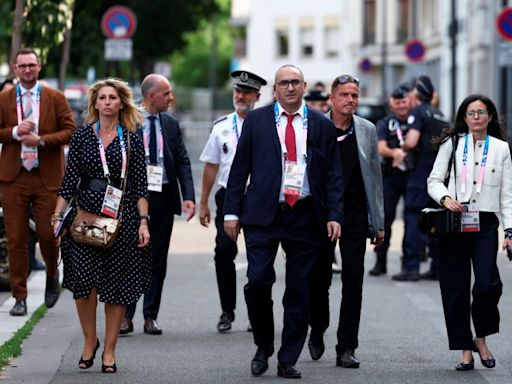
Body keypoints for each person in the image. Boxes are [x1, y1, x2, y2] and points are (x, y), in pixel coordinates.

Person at [223, 64, 343, 379]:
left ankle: (288, 357)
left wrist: (334, 215)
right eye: (283, 83)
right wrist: (231, 212)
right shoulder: (257, 121)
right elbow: (240, 168)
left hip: (305, 215)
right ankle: (263, 345)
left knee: (299, 290)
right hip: (263, 214)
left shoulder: (321, 124)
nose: (289, 88)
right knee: (258, 282)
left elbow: (333, 175)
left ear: (303, 86)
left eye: (294, 82)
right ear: (275, 89)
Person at [52, 78, 151, 373]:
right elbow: (69, 181)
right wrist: (57, 217)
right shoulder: (83, 137)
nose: (107, 102)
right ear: (95, 103)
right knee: (82, 283)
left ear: (121, 102)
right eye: (102, 98)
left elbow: (141, 185)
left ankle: (109, 351)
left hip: (123, 216)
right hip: (86, 216)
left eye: (113, 97)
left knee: (117, 285)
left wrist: (143, 222)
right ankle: (89, 340)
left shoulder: (132, 137)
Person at [427, 94, 512, 371]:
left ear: (490, 117)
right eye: (471, 113)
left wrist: (510, 231)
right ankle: (465, 349)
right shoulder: (452, 144)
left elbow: (507, 195)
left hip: (485, 224)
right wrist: (444, 199)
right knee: (455, 288)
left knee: (488, 284)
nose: (476, 117)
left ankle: (481, 337)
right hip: (454, 222)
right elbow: (434, 180)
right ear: (464, 118)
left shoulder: (500, 148)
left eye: (481, 112)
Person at [308, 74, 384, 368]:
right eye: (344, 95)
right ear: (332, 98)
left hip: (353, 212)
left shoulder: (366, 129)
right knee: (319, 279)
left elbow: (375, 177)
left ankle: (347, 347)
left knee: (353, 278)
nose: (350, 100)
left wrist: (378, 221)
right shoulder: (317, 127)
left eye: (354, 95)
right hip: (323, 211)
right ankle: (317, 327)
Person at [0, 48, 75, 316]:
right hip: (13, 177)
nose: (28, 70)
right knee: (16, 238)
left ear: (39, 67)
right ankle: (19, 296)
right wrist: (13, 132)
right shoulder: (5, 98)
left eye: (32, 65)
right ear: (15, 68)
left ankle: (53, 276)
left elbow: (71, 131)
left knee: (47, 234)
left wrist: (41, 140)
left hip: (47, 178)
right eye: (23, 66)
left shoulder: (55, 98)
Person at [120, 74, 195, 335]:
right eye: (167, 94)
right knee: (131, 256)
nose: (172, 98)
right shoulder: (128, 122)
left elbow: (183, 161)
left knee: (157, 259)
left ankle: (150, 315)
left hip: (162, 196)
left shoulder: (171, 124)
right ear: (151, 96)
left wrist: (189, 196)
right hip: (133, 198)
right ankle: (125, 316)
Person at [199, 70, 266, 333]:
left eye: (247, 93)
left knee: (259, 254)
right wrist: (203, 202)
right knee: (224, 252)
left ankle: (256, 312)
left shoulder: (267, 125)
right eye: (238, 91)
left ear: (257, 96)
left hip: (258, 197)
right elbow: (211, 167)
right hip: (228, 197)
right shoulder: (222, 126)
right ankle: (228, 310)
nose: (240, 96)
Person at [392, 75, 449, 281]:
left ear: (416, 95)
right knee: (435, 217)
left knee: (414, 215)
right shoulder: (440, 114)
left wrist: (403, 147)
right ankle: (437, 265)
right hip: (440, 171)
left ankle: (412, 267)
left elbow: (412, 140)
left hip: (421, 169)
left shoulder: (417, 112)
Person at [369, 85, 412, 276]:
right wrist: (395, 152)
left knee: (411, 222)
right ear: (391, 104)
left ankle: (408, 262)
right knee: (385, 219)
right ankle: (380, 260)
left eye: (404, 102)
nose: (401, 106)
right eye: (398, 102)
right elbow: (380, 147)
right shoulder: (385, 123)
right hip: (391, 176)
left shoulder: (416, 121)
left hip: (412, 175)